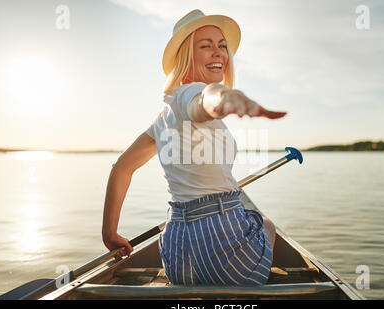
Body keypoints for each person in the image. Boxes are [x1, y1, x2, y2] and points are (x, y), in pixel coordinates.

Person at [102, 9, 286, 285]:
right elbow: (204, 101)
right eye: (206, 46)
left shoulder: (163, 116)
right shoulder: (193, 93)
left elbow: (122, 169)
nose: (219, 53)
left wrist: (110, 234)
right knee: (266, 225)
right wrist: (223, 98)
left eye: (222, 46)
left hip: (177, 256)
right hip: (224, 249)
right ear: (186, 55)